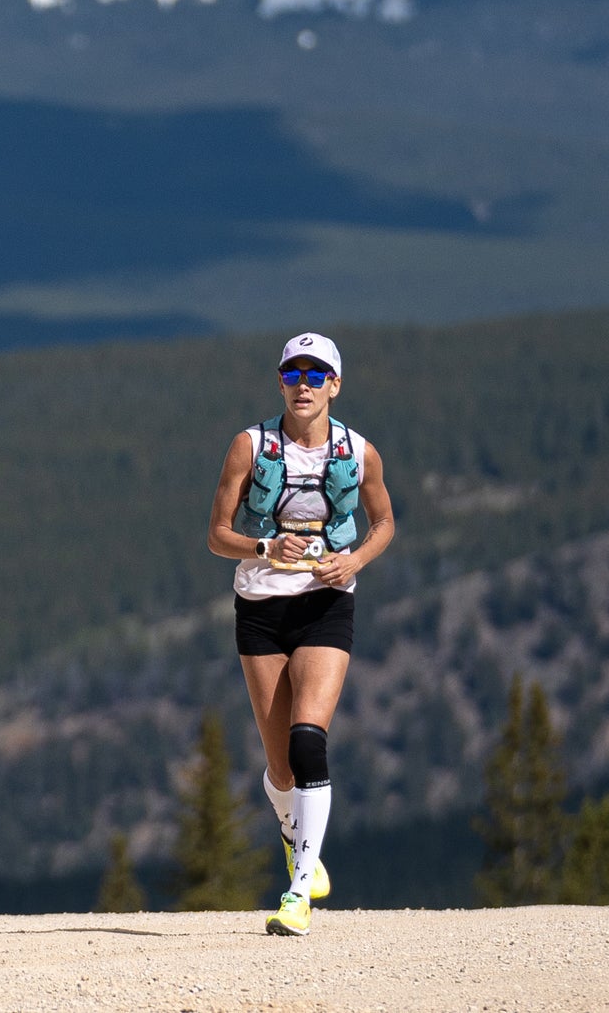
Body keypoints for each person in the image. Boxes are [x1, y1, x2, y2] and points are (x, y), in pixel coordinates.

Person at [205, 331, 395, 937]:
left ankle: (297, 894)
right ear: (280, 382)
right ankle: (297, 845)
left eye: (317, 375)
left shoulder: (360, 452)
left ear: (335, 385)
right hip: (260, 608)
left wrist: (356, 561)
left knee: (309, 739)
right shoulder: (249, 446)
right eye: (294, 374)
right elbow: (216, 534)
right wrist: (264, 545)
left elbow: (385, 521)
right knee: (281, 766)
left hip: (326, 603)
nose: (304, 385)